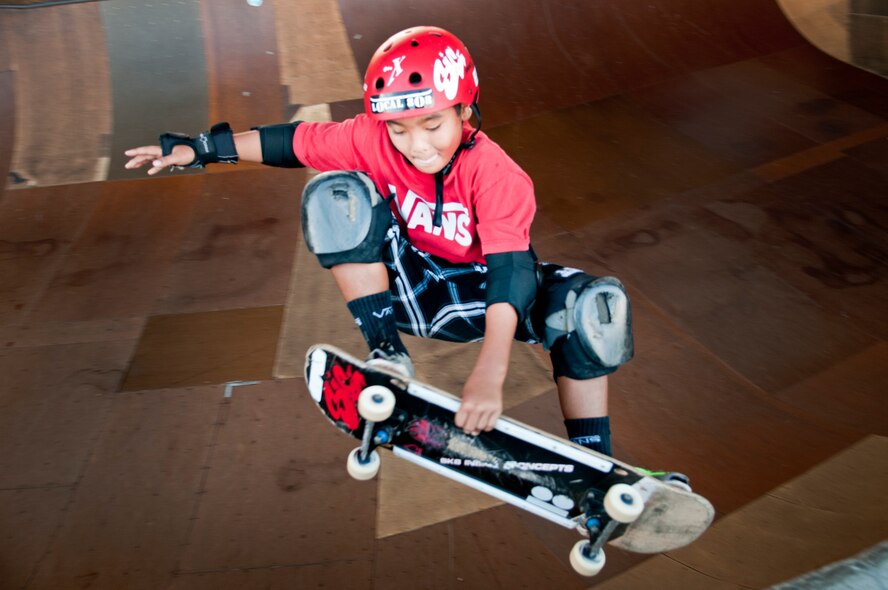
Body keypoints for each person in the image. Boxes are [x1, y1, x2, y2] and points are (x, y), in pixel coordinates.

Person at [124, 26, 633, 456]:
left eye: (433, 125)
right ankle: (387, 354)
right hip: (404, 284)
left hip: (483, 297)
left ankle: (596, 467)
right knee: (334, 192)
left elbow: (511, 272)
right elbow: (289, 142)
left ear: (466, 112)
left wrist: (491, 370)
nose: (417, 147)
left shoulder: (497, 175)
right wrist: (201, 149)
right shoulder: (369, 137)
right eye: (399, 130)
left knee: (590, 305)